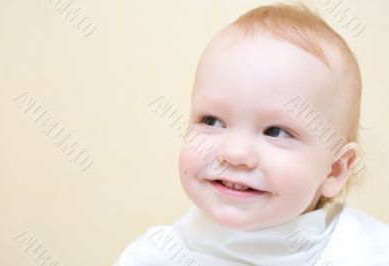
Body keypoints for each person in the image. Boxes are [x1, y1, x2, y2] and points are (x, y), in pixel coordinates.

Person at [114, 3, 389, 265]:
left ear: (335, 170)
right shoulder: (151, 257)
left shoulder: (367, 254)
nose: (234, 153)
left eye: (276, 132)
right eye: (212, 120)